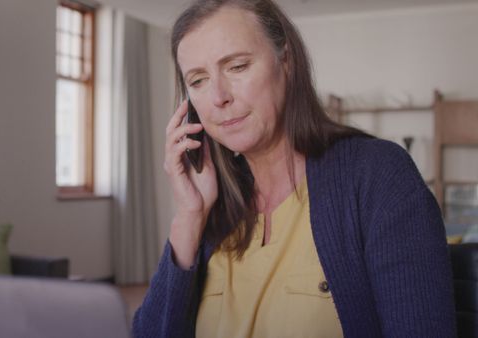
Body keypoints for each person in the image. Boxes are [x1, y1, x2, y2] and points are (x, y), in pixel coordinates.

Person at [132, 0, 456, 337]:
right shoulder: (210, 207)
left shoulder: (377, 175)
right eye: (197, 80)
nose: (218, 97)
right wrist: (189, 217)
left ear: (286, 62)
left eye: (237, 66)